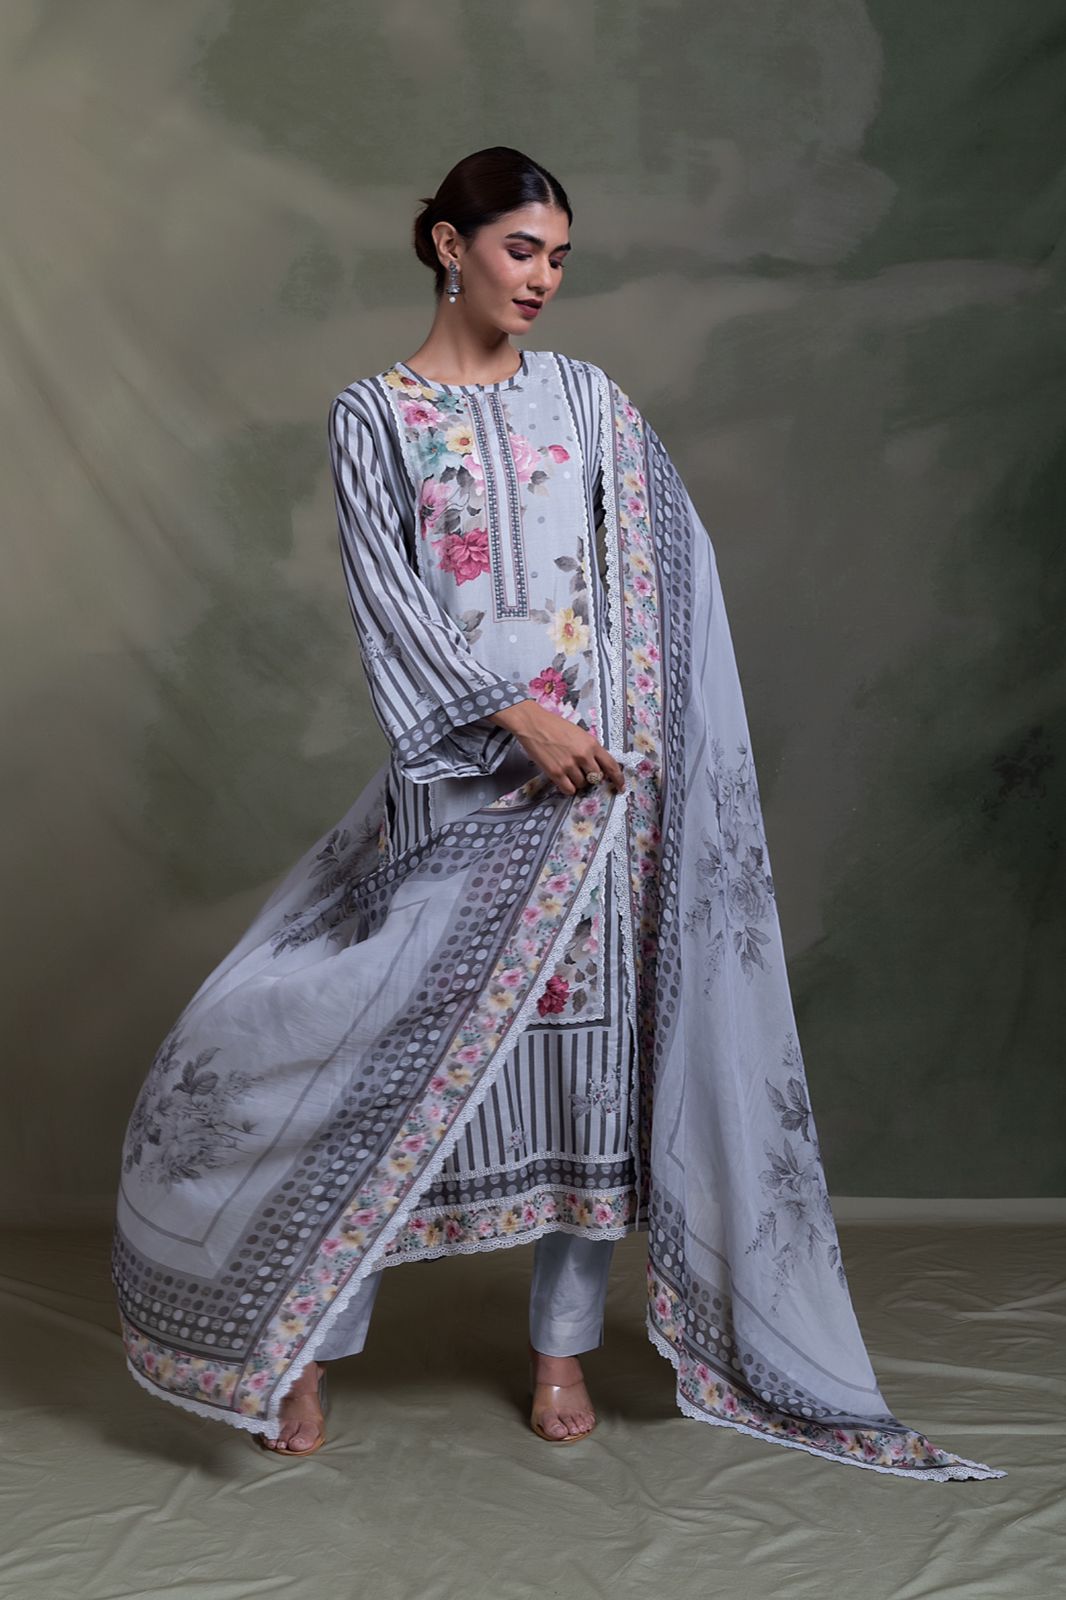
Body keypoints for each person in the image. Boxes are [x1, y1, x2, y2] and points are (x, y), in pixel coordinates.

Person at [111, 146, 1004, 1481]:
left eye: (558, 259)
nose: (541, 279)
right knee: (373, 1066)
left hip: (601, 800)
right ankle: (305, 1345)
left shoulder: (587, 402)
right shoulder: (375, 416)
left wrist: (621, 736)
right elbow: (388, 605)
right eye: (520, 249)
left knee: (589, 1080)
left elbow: (669, 570)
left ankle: (561, 1350)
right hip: (465, 786)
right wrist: (511, 715)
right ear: (447, 244)